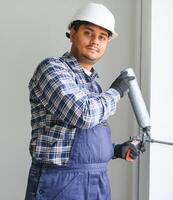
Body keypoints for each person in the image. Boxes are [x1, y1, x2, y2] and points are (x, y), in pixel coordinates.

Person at [25, 3, 141, 200]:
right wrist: (116, 91)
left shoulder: (93, 86)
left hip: (98, 183)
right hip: (60, 183)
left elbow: (84, 139)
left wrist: (116, 150)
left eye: (102, 37)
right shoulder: (52, 69)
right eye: (88, 33)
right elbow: (82, 114)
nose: (95, 41)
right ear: (72, 33)